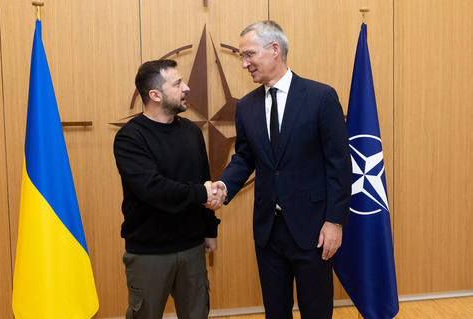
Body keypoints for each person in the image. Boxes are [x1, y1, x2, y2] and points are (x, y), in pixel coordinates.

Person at [213, 21, 352, 318]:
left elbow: (339, 165)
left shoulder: (321, 97)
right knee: (275, 311)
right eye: (242, 56)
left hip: (313, 228)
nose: (244, 64)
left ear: (275, 49)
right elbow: (244, 158)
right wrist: (224, 186)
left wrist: (334, 222)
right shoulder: (246, 106)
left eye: (249, 54)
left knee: (316, 310)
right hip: (268, 230)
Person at [113, 59, 224, 319]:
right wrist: (202, 193)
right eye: (177, 83)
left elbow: (203, 180)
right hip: (149, 252)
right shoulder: (130, 138)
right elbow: (153, 188)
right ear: (155, 95)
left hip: (191, 248)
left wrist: (210, 229)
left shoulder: (192, 132)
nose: (186, 88)